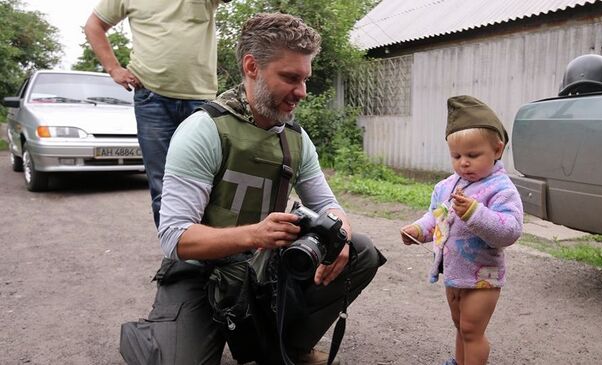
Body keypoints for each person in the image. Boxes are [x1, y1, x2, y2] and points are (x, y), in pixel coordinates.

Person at [119, 13, 385, 365]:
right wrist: (256, 235)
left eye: (305, 79)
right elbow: (174, 237)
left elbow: (327, 204)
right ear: (252, 67)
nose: (302, 92)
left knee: (360, 249)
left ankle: (285, 346)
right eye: (290, 78)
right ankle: (162, 332)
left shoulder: (295, 138)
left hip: (262, 272)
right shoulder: (203, 130)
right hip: (201, 273)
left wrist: (340, 233)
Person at [400, 96, 523, 365]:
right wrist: (418, 230)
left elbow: (510, 230)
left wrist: (474, 213)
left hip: (483, 276)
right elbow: (436, 217)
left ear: (497, 149)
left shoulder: (501, 189)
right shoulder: (446, 186)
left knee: (472, 330)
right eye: (456, 156)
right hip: (454, 272)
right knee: (460, 326)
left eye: (472, 155)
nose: (463, 163)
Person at [84, 0, 230, 227]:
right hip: (151, 98)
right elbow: (94, 25)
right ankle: (177, 257)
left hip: (200, 100)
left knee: (212, 182)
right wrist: (114, 68)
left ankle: (213, 250)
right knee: (164, 185)